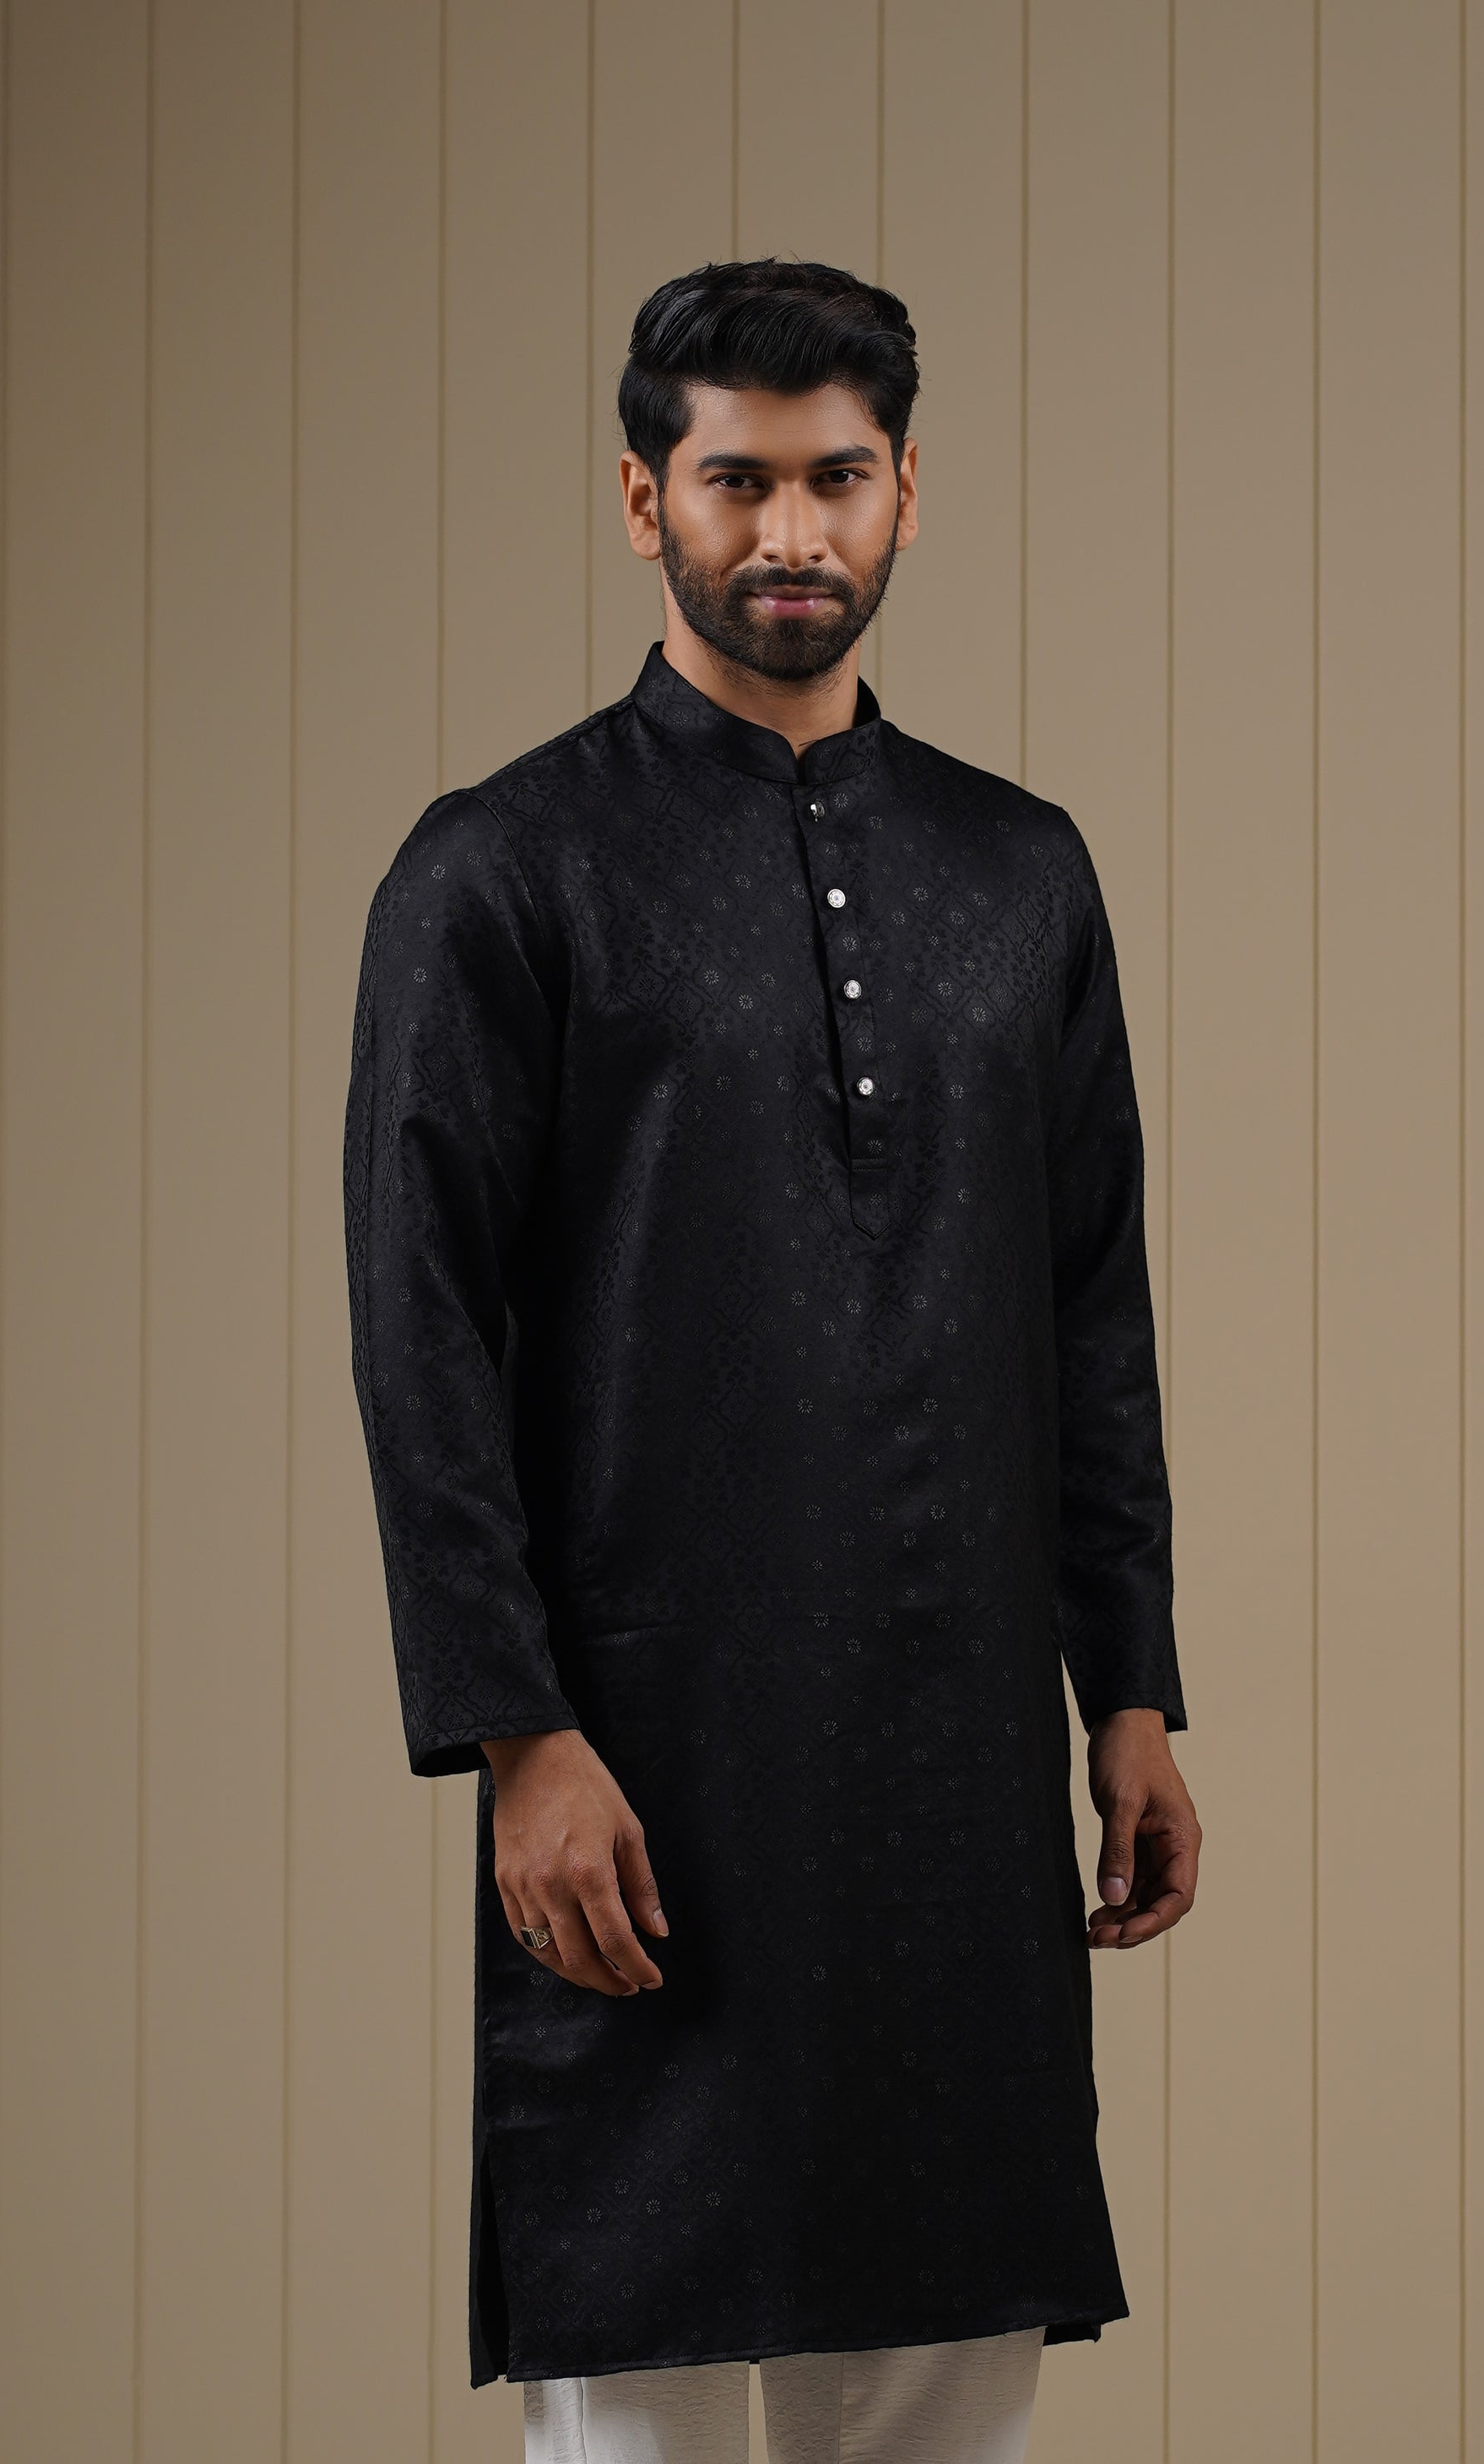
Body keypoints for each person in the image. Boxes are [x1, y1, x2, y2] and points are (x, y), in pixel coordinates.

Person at [343, 257, 1201, 2464]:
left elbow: (1090, 1308)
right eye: (737, 481)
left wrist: (1127, 1686)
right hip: (648, 1766)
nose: (792, 531)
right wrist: (517, 1729)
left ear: (910, 488)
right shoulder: (504, 867)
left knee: (946, 2387)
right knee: (632, 2393)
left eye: (838, 477)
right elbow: (420, 1326)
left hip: (956, 1764)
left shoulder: (1020, 873)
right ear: (646, 500)